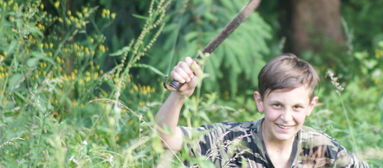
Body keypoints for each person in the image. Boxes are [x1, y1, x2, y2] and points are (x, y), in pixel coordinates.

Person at [155, 54, 369, 167]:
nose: (286, 117)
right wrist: (179, 95)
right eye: (277, 105)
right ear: (260, 102)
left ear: (310, 107)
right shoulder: (228, 141)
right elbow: (164, 139)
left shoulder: (321, 149)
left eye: (297, 107)